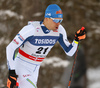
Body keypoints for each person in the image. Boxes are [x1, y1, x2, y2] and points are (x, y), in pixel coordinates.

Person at [6, 4, 86, 88]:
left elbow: (70, 52)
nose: (58, 24)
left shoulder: (59, 31)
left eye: (60, 21)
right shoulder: (31, 29)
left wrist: (76, 40)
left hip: (35, 68)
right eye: (55, 20)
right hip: (22, 66)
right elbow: (10, 48)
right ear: (47, 18)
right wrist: (11, 72)